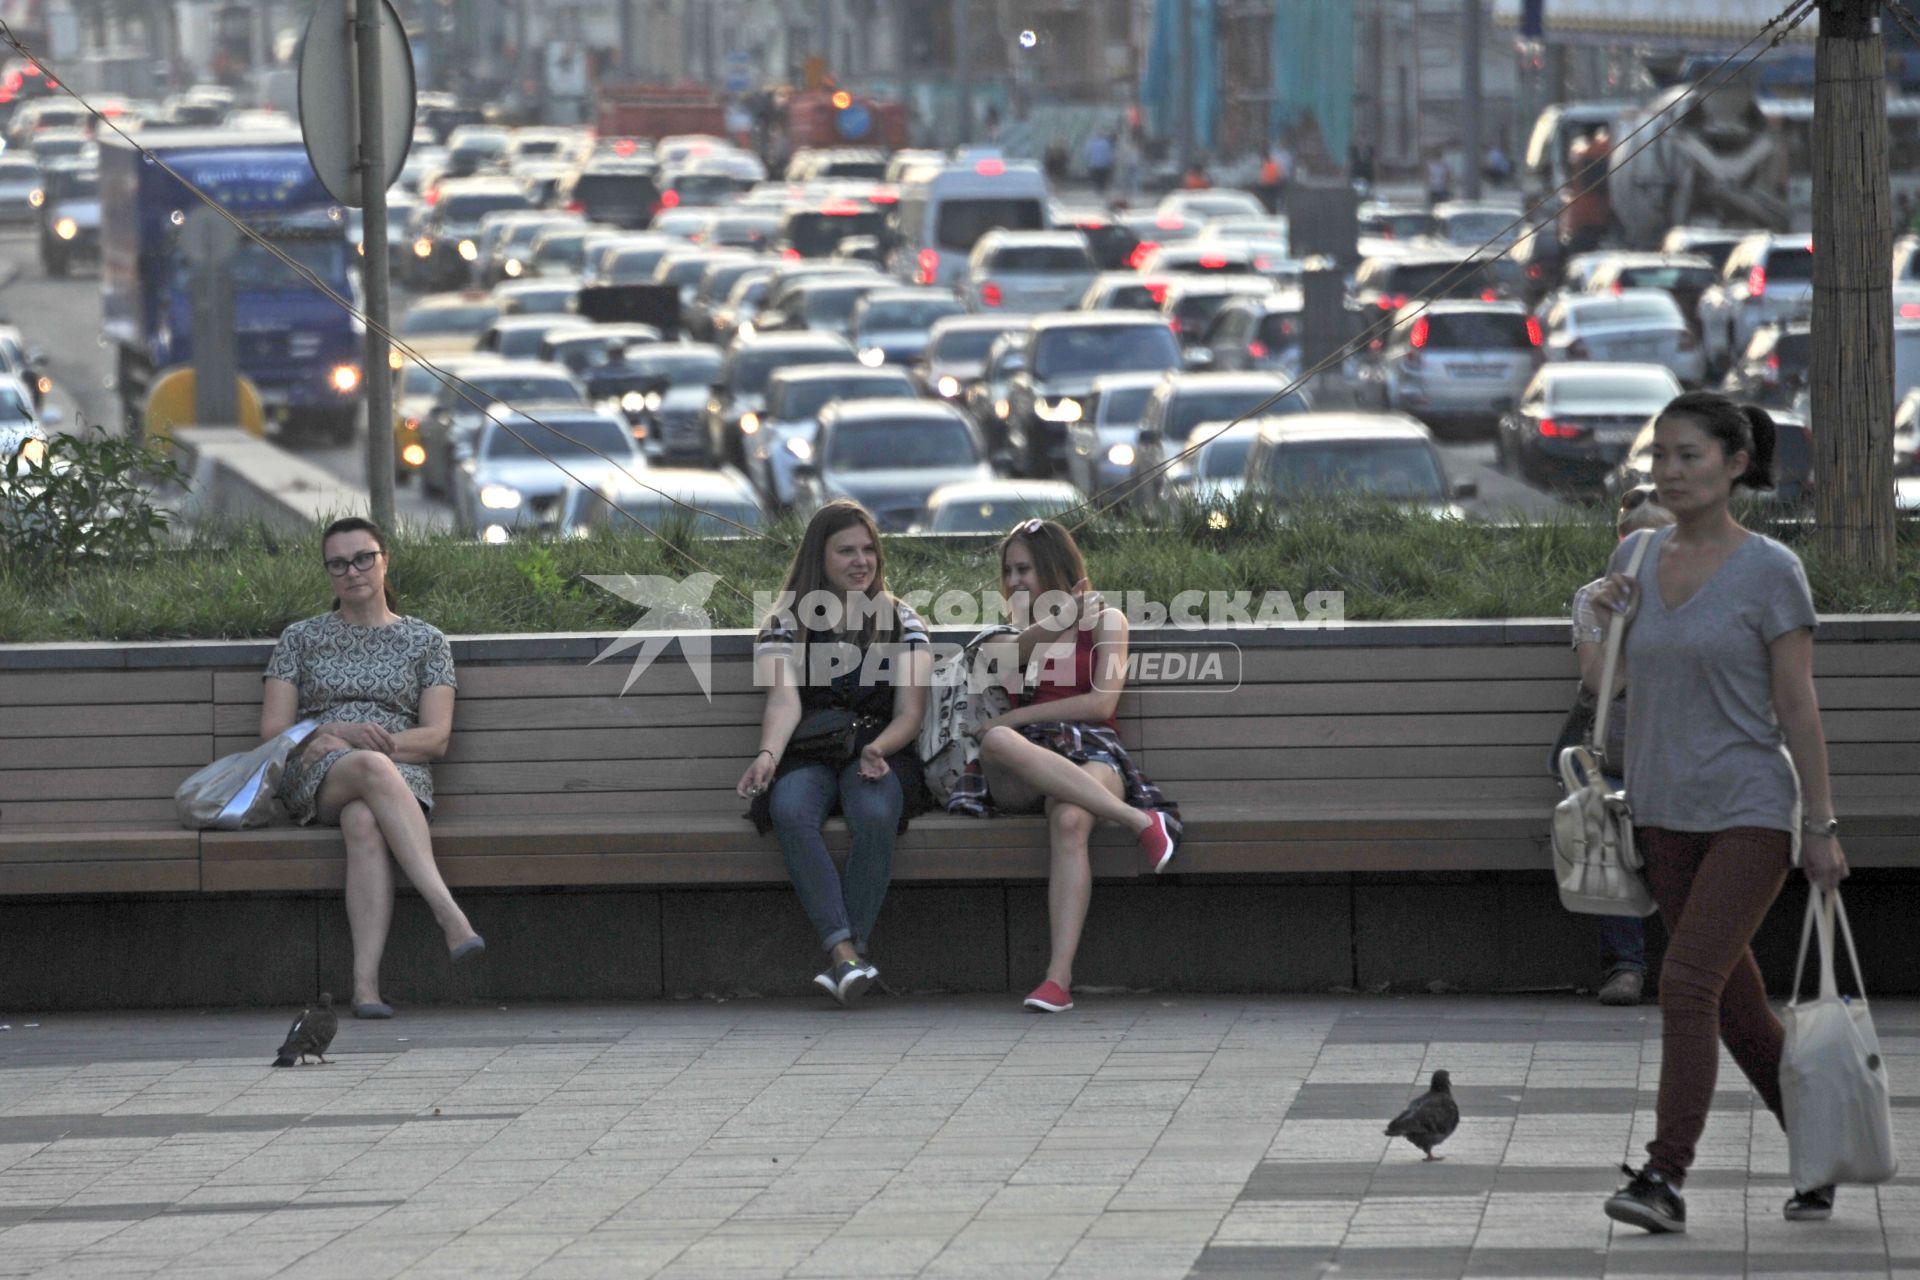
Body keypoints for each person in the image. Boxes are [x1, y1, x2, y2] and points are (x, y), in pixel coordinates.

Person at [1587, 392, 1847, 1235]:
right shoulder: (1636, 550)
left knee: (1687, 984)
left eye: (1689, 455)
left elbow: (1797, 705)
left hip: (1750, 810)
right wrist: (1594, 614)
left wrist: (1820, 824)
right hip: (1662, 813)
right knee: (1735, 1008)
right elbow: (1607, 686)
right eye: (1659, 454)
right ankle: (1823, 1149)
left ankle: (1664, 1175)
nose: (1669, 470)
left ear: (1736, 465)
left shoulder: (1772, 570)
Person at [260, 517, 483, 1020]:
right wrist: (333, 735)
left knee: (364, 818)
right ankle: (447, 914)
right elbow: (274, 731)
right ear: (328, 572)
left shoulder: (427, 641)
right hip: (317, 773)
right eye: (338, 563)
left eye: (364, 558)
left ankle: (365, 989)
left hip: (401, 774)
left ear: (385, 561)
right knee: (365, 764)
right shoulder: (301, 639)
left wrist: (371, 743)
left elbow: (436, 737)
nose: (352, 571)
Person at [972, 519, 1181, 1013]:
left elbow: (1100, 704)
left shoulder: (1108, 621)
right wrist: (1054, 622)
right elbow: (998, 665)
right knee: (999, 738)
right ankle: (1140, 823)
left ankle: (1056, 980)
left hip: (1092, 748)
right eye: (1009, 571)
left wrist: (1022, 713)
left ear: (1055, 567)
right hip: (1025, 759)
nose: (1015, 580)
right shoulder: (1013, 630)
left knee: (1070, 819)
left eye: (1025, 569)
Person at [738, 501, 932, 1007]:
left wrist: (878, 748)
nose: (860, 560)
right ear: (819, 558)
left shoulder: (901, 620)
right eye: (846, 550)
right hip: (812, 751)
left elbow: (909, 713)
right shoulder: (786, 622)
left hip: (879, 752)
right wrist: (767, 756)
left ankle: (848, 958)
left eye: (869, 549)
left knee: (874, 811)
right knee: (789, 809)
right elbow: (784, 701)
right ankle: (847, 954)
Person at [1560, 487, 1676, 1007]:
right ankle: (1626, 966)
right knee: (1603, 821)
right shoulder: (1594, 597)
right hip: (1616, 758)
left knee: (1683, 826)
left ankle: (1688, 967)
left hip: (1681, 759)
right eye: (1633, 542)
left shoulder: (1696, 593)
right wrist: (1623, 620)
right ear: (1619, 544)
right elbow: (1597, 679)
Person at [1085, 131, 1115, 195]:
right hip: (1103, 164)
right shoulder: (1106, 143)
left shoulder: (1092, 142)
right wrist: (1111, 162)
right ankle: (1101, 189)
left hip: (1094, 164)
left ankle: (1098, 189)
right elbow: (1109, 154)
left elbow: (1088, 153)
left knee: (1096, 178)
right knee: (1102, 178)